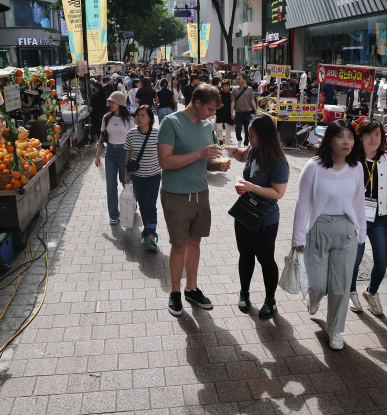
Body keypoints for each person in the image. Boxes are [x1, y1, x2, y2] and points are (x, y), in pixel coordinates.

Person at [292, 120, 366, 350]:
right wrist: (297, 237)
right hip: (317, 229)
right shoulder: (313, 167)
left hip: (346, 232)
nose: (347, 142)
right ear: (329, 140)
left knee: (341, 287)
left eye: (350, 137)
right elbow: (302, 204)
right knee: (318, 284)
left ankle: (335, 330)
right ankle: (314, 298)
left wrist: (361, 232)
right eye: (341, 137)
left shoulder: (356, 168)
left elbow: (359, 204)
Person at [157, 84, 230, 316]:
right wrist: (200, 154)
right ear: (197, 103)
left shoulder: (207, 125)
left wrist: (215, 165)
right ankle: (175, 293)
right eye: (209, 109)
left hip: (200, 191)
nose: (212, 114)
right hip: (176, 193)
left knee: (195, 243)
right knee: (179, 245)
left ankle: (191, 288)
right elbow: (165, 162)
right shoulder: (171, 122)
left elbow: (202, 162)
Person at [226, 116, 289, 318]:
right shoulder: (254, 150)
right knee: (245, 254)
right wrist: (231, 150)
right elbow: (243, 155)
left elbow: (278, 193)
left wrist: (251, 187)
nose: (248, 139)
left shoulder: (278, 162)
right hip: (245, 211)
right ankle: (244, 293)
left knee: (265, 259)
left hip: (265, 217)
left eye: (251, 136)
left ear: (263, 136)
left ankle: (270, 300)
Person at [348, 119, 387, 316]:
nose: (373, 139)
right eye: (369, 135)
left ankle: (371, 291)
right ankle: (351, 290)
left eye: (377, 134)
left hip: (379, 217)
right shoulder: (351, 157)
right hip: (356, 216)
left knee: (382, 260)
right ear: (360, 137)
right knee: (355, 259)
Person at [124, 105, 162, 251]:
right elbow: (128, 155)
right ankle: (147, 227)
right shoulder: (131, 133)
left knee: (151, 204)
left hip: (154, 175)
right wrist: (126, 174)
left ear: (150, 118)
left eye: (142, 115)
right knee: (142, 204)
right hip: (137, 176)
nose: (139, 118)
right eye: (137, 115)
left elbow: (163, 153)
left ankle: (151, 237)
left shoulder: (157, 133)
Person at [95, 91, 135, 224]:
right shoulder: (107, 118)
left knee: (126, 182)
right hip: (110, 153)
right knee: (111, 185)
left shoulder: (129, 119)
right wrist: (97, 155)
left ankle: (131, 205)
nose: (110, 104)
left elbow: (133, 139)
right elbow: (101, 137)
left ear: (120, 103)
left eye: (113, 101)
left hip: (125, 152)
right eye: (110, 101)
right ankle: (113, 214)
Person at [231, 73, 258, 148]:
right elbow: (233, 101)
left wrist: (256, 110)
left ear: (244, 80)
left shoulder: (249, 89)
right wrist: (231, 112)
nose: (238, 80)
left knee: (247, 129)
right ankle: (239, 140)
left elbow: (252, 100)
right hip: (238, 112)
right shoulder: (234, 89)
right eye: (237, 78)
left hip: (247, 111)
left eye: (239, 79)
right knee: (238, 127)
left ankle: (246, 143)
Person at [215, 79, 233, 145]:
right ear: (222, 86)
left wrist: (232, 113)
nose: (226, 87)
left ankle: (228, 145)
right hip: (220, 113)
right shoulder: (218, 94)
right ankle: (220, 142)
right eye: (225, 86)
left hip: (228, 114)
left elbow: (233, 104)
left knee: (228, 130)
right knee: (219, 128)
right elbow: (215, 103)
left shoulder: (231, 94)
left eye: (227, 86)